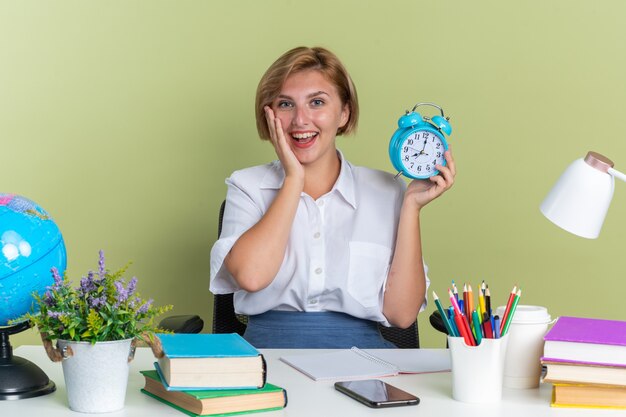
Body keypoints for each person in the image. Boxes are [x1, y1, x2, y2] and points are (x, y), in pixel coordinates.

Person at [210, 46, 455, 348]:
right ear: (269, 115)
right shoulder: (247, 186)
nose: (301, 119)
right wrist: (293, 180)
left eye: (317, 102)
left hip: (364, 360)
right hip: (265, 355)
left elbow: (402, 316)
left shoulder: (388, 191)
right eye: (286, 104)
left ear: (344, 113)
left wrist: (411, 207)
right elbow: (251, 277)